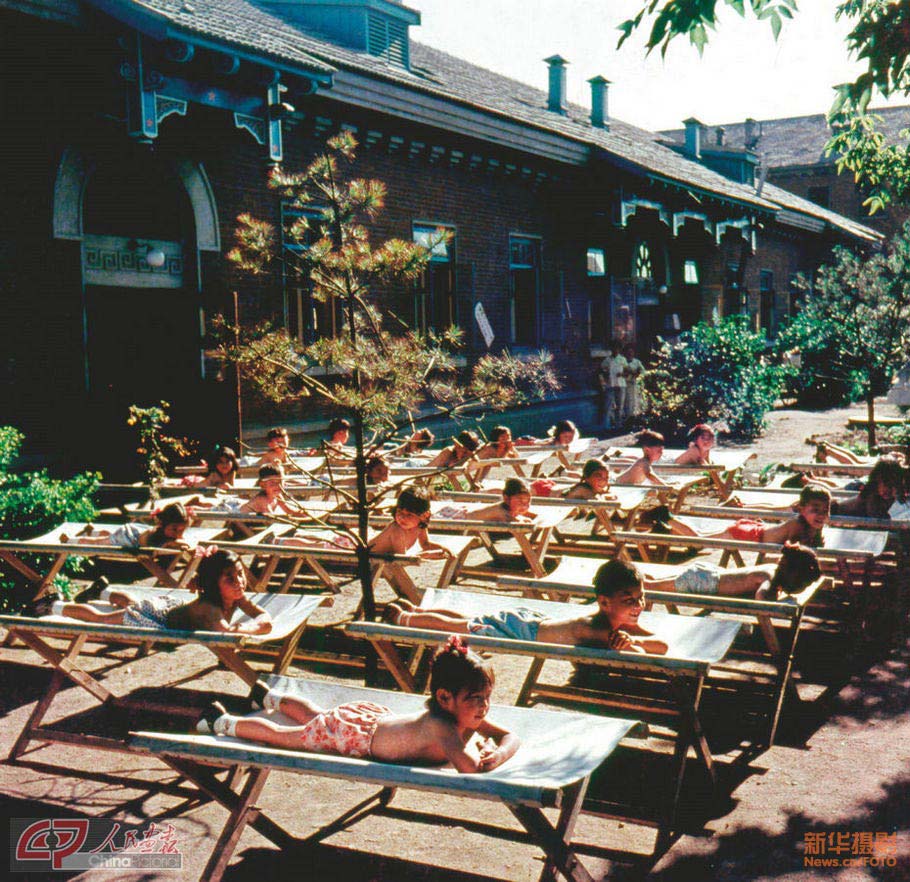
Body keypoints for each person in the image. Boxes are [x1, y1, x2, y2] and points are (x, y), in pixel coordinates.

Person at [197, 636, 520, 774]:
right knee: (287, 737)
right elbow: (473, 767)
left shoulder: (465, 716)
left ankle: (269, 697)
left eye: (487, 698)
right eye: (475, 699)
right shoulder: (444, 725)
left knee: (317, 716)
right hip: (357, 738)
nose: (484, 707)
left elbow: (511, 736)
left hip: (368, 720)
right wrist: (490, 752)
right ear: (444, 698)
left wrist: (498, 747)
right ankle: (223, 723)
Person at [386, 558, 668, 655]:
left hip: (531, 621)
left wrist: (634, 639)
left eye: (641, 598)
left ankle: (418, 611)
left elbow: (661, 645)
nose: (639, 606)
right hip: (520, 632)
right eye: (630, 600)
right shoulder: (597, 629)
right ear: (604, 602)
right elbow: (640, 650)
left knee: (471, 619)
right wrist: (632, 643)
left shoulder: (620, 624)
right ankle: (404, 618)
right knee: (460, 627)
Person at [36, 549, 272, 635]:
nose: (240, 581)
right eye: (229, 578)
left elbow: (264, 618)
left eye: (240, 574)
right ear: (212, 583)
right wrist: (252, 627)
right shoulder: (210, 609)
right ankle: (53, 605)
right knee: (101, 619)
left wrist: (251, 626)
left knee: (134, 601)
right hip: (157, 618)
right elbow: (228, 634)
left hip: (165, 609)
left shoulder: (236, 597)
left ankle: (102, 591)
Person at [656, 484, 831, 547]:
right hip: (747, 534)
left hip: (756, 530)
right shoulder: (797, 524)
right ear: (801, 509)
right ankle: (667, 517)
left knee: (700, 540)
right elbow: (795, 551)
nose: (821, 515)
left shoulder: (813, 525)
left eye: (825, 510)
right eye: (815, 509)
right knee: (699, 541)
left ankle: (666, 529)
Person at [643, 542, 821, 600]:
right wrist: (772, 593)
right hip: (706, 582)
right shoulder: (770, 576)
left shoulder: (772, 568)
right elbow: (761, 596)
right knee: (651, 587)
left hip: (709, 574)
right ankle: (633, 583)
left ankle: (644, 579)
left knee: (660, 583)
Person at [60, 502, 191, 549]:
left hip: (134, 531)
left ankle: (91, 531)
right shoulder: (155, 537)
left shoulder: (166, 533)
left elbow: (181, 542)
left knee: (110, 536)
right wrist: (170, 544)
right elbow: (151, 546)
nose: (178, 534)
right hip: (127, 537)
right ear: (162, 524)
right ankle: (69, 540)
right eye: (174, 529)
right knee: (99, 542)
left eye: (182, 530)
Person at [368, 487, 448, 558]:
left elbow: (425, 544)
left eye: (409, 515)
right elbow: (401, 559)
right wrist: (425, 555)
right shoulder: (397, 530)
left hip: (385, 561)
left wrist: (445, 550)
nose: (402, 518)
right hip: (367, 561)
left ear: (424, 516)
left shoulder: (419, 526)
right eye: (399, 511)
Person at [829, 457, 905, 519]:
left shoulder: (891, 495)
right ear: (876, 482)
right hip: (837, 513)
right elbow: (875, 517)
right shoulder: (871, 496)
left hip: (855, 517)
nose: (888, 490)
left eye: (893, 485)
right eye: (886, 484)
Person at [241, 465, 307, 517]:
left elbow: (289, 511)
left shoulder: (277, 496)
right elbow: (271, 518)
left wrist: (300, 513)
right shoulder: (261, 500)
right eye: (272, 483)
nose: (277, 485)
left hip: (255, 523)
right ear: (262, 485)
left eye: (280, 482)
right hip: (239, 522)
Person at [469, 477, 537, 523]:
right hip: (462, 520)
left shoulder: (513, 509)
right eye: (520, 501)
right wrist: (524, 520)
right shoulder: (501, 512)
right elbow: (516, 523)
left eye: (528, 501)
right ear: (506, 499)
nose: (524, 506)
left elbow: (534, 515)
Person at [599, 343, 627, 429]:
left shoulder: (622, 359)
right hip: (610, 385)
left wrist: (622, 373)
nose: (615, 350)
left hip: (620, 384)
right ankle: (606, 426)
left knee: (620, 406)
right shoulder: (607, 360)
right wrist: (605, 374)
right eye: (613, 348)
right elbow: (601, 371)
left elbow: (627, 371)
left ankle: (618, 426)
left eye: (617, 348)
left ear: (619, 350)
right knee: (608, 406)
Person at [623, 346, 645, 420]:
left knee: (635, 400)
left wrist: (637, 374)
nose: (630, 354)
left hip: (634, 384)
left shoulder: (637, 362)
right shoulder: (623, 362)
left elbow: (643, 372)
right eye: (628, 352)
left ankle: (635, 417)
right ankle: (627, 417)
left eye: (631, 352)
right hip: (625, 384)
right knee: (627, 401)